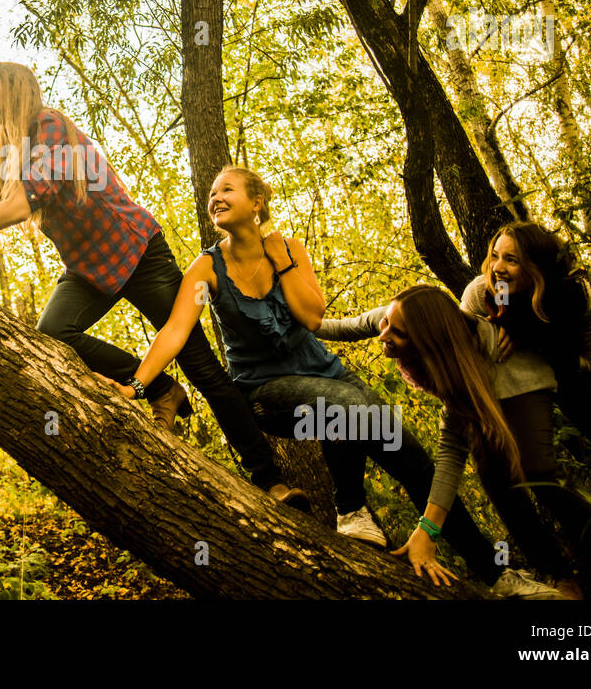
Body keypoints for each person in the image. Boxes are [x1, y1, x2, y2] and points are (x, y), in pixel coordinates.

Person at [0, 63, 305, 506]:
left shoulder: (49, 125)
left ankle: (270, 481)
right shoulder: (5, 153)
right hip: (87, 270)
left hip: (139, 254)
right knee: (53, 334)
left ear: (16, 88)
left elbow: (20, 206)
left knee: (202, 367)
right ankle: (160, 390)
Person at [99, 165, 504, 584]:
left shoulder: (290, 249)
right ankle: (349, 509)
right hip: (266, 394)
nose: (215, 198)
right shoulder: (206, 270)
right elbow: (175, 331)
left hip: (328, 376)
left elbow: (311, 317)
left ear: (256, 203)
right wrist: (136, 385)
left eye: (227, 190)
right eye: (212, 193)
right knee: (350, 405)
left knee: (415, 462)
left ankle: (496, 573)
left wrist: (283, 262)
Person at [320, 285, 582, 599]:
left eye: (397, 332)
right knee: (497, 482)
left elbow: (451, 454)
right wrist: (298, 316)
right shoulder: (398, 319)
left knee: (530, 475)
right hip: (477, 392)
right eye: (385, 323)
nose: (383, 334)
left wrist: (427, 530)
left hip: (519, 387)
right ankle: (542, 571)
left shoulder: (460, 368)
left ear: (427, 343)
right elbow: (348, 326)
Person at [463, 222, 591, 464]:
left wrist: (528, 339)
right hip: (560, 368)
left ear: (538, 267)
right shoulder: (481, 293)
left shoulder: (589, 300)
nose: (497, 268)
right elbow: (464, 350)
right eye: (494, 256)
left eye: (511, 260)